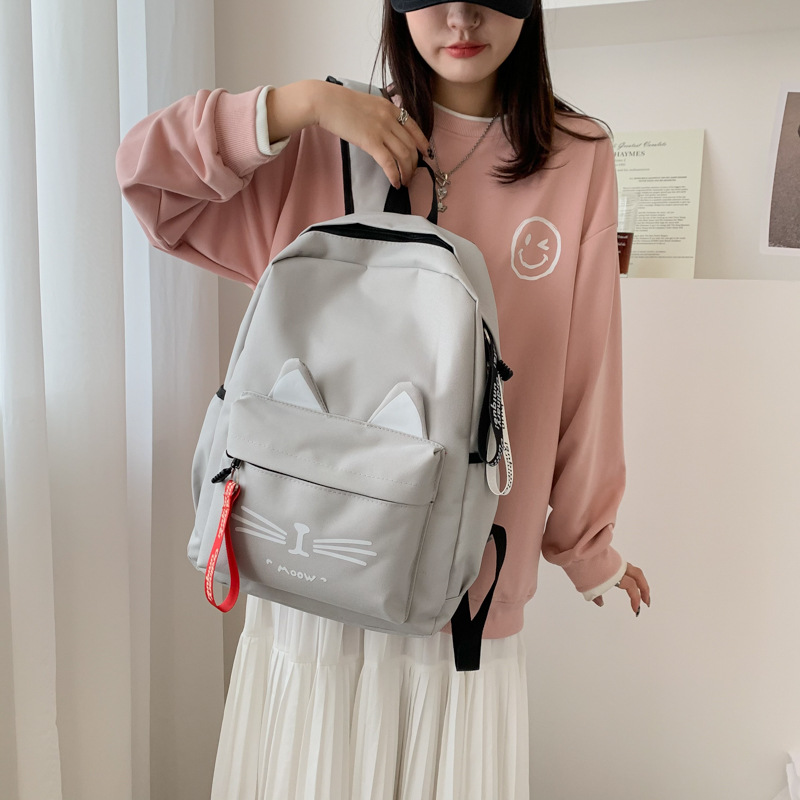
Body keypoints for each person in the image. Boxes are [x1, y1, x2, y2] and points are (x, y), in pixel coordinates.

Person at [116, 0, 651, 797]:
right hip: (313, 578)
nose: (461, 15)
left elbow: (585, 368)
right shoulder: (330, 134)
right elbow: (147, 179)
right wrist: (299, 104)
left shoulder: (577, 159)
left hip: (463, 594)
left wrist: (586, 545)